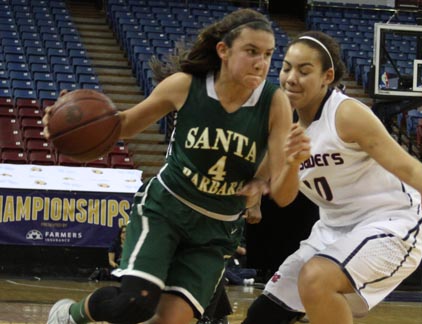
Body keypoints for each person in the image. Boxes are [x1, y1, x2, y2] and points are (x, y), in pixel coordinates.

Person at [45, 8, 311, 324]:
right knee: (133, 304)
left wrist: (291, 165)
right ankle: (70, 314)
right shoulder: (186, 85)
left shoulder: (274, 101)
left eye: (268, 54)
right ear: (223, 51)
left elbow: (282, 196)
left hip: (217, 228)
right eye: (251, 51)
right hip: (166, 211)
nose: (261, 62)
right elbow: (125, 124)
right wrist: (70, 123)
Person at [241, 31, 422, 324]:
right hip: (332, 229)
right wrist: (292, 163)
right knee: (261, 316)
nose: (292, 77)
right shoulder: (282, 121)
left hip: (391, 223)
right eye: (286, 68)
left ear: (327, 76)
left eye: (304, 70)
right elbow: (283, 197)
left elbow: (408, 167)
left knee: (316, 277)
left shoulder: (345, 114)